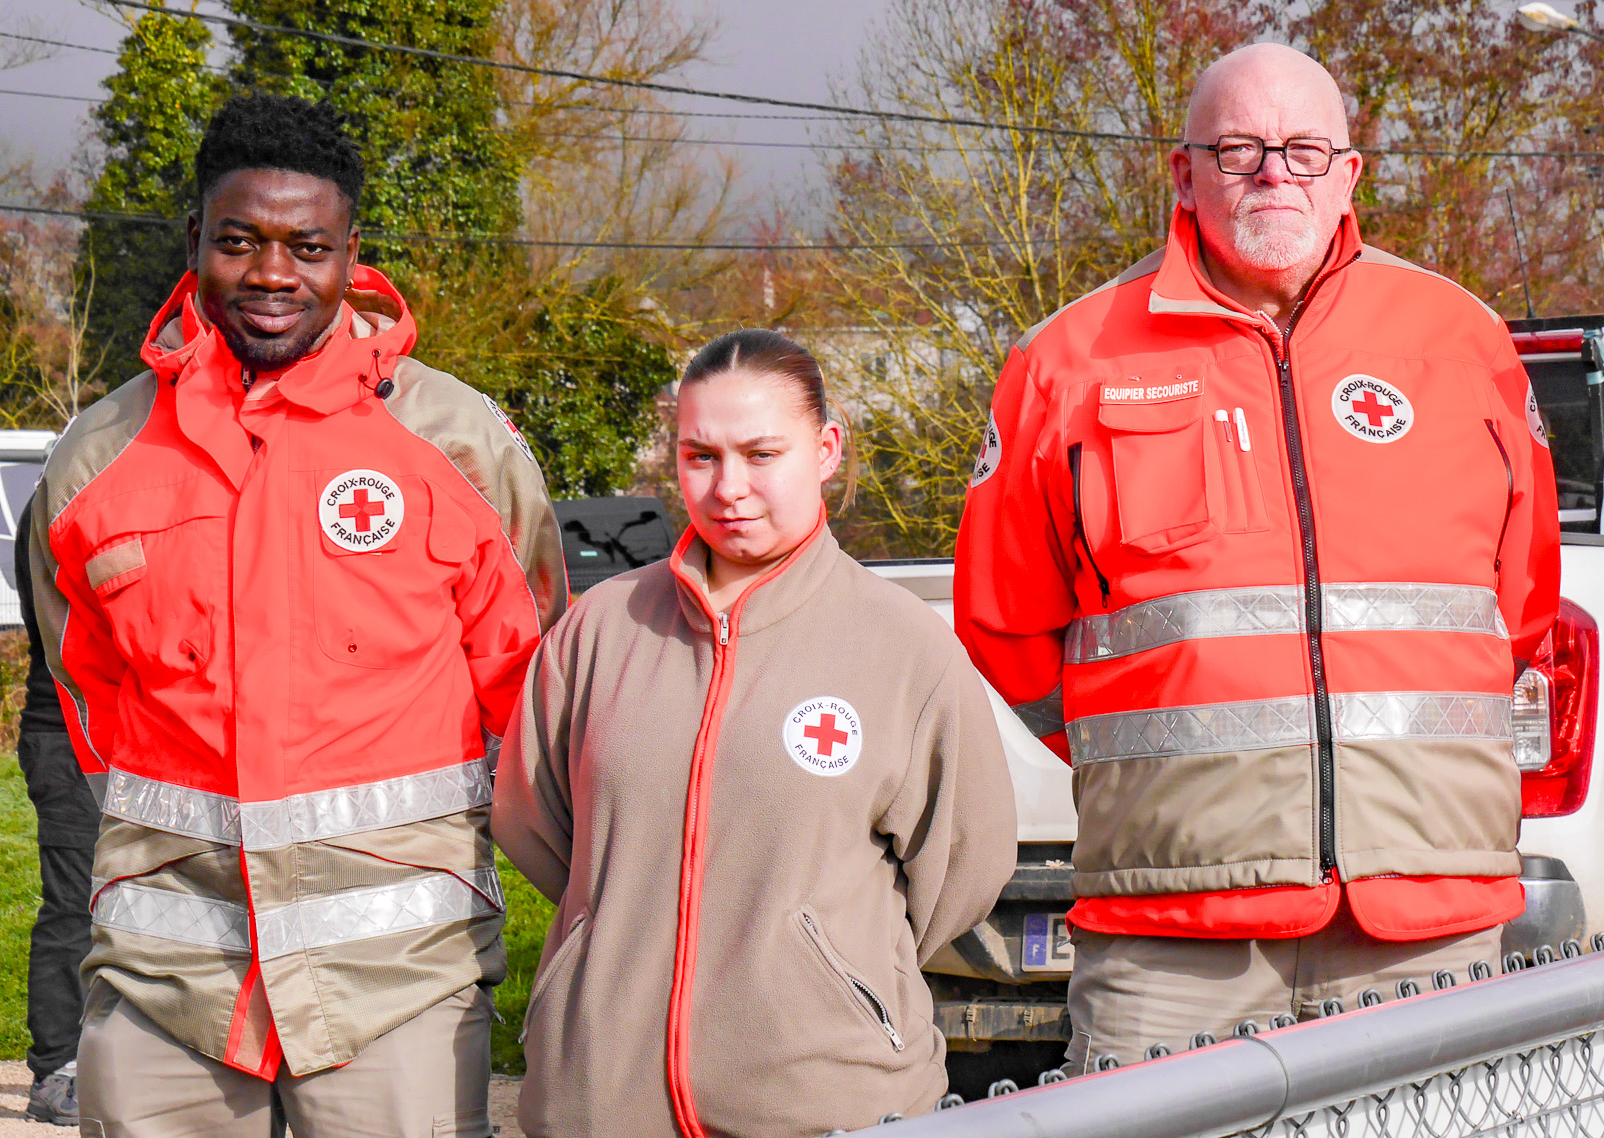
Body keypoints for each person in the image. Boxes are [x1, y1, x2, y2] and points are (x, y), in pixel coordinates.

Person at [955, 43, 1561, 1070]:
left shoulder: (1461, 342)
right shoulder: (1064, 363)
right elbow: (1006, 624)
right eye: (1237, 150)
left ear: (1348, 174)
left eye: (1301, 149)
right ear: (1181, 173)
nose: (1274, 173)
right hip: (1170, 938)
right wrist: (1168, 773)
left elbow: (1518, 604)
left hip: (1423, 916)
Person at [24, 92, 566, 1137]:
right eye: (239, 241)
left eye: (306, 246)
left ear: (350, 253)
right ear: (194, 243)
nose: (272, 274)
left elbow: (535, 694)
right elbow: (93, 711)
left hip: (397, 989)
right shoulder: (95, 461)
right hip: (167, 986)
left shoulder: (457, 445)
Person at [494, 329, 1016, 1137]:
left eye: (761, 453)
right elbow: (536, 823)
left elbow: (964, 867)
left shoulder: (903, 645)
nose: (729, 487)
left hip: (829, 1105)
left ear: (827, 448)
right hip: (601, 1100)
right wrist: (611, 928)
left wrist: (832, 968)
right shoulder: (599, 631)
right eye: (700, 455)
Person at [15, 523, 93, 1127]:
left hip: (138, 735)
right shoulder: (59, 501)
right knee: (75, 905)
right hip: (67, 737)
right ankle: (58, 1069)